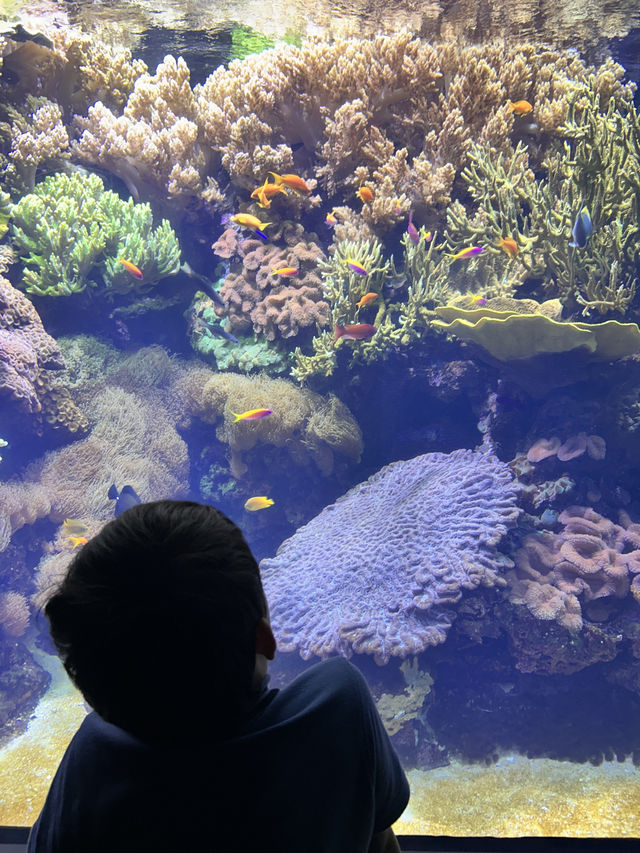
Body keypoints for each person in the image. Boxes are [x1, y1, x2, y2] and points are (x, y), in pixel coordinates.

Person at [28, 500, 409, 853]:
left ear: (93, 688)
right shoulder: (339, 707)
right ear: (265, 638)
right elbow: (381, 843)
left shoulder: (93, 762)